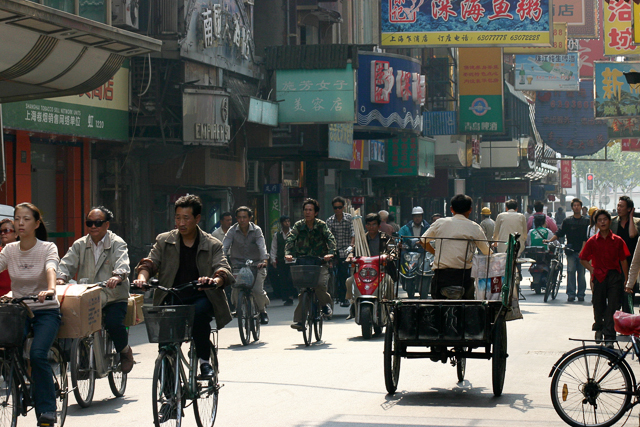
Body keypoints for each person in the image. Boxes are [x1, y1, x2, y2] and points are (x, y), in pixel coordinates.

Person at [134, 195, 233, 378]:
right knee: (166, 344)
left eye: (186, 218)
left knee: (199, 317)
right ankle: (169, 396)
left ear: (197, 219)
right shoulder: (164, 240)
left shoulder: (212, 244)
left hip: (201, 296)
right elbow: (150, 263)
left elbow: (222, 269)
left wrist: (213, 281)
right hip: (171, 296)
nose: (181, 222)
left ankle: (204, 361)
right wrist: (142, 278)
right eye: (177, 217)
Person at [0, 203, 60, 425]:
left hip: (46, 311)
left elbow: (51, 269)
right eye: (17, 219)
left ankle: (48, 409)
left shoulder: (47, 248)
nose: (20, 223)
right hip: (19, 312)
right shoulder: (9, 250)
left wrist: (51, 288)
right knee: (7, 349)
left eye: (26, 219)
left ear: (36, 224)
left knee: (37, 354)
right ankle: (21, 384)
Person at [57, 206, 134, 373]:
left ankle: (125, 351)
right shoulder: (79, 244)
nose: (93, 226)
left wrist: (117, 276)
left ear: (106, 225)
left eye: (97, 223)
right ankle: (84, 357)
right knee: (76, 322)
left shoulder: (117, 243)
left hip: (113, 296)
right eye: (89, 223)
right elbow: (66, 264)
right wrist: (60, 278)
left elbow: (123, 263)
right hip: (89, 296)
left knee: (114, 323)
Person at [420, 194, 490, 299]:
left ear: (451, 209)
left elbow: (423, 241)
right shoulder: (475, 227)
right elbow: (487, 252)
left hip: (441, 276)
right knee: (467, 306)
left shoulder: (440, 222)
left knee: (437, 308)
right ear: (470, 210)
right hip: (464, 276)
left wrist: (435, 252)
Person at [580, 209, 630, 348]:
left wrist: (626, 278)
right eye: (599, 220)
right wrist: (592, 270)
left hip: (614, 276)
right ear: (596, 224)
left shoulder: (618, 241)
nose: (602, 222)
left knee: (613, 306)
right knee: (598, 304)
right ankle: (599, 326)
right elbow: (583, 259)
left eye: (605, 219)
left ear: (609, 222)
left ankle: (609, 337)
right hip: (599, 277)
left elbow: (624, 260)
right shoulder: (592, 241)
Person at [285, 198, 336, 331]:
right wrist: (288, 253)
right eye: (305, 210)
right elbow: (290, 239)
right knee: (303, 292)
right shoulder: (298, 226)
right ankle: (300, 321)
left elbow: (330, 239)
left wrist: (330, 253)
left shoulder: (321, 225)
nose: (307, 212)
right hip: (303, 262)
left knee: (319, 285)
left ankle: (325, 305)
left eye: (310, 210)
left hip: (320, 262)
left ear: (316, 212)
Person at [222, 206, 270, 324]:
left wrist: (264, 260)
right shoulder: (232, 230)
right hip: (238, 265)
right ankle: (238, 308)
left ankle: (262, 311)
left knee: (257, 290)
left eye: (244, 217)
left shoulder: (256, 230)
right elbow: (224, 246)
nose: (242, 220)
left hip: (256, 265)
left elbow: (261, 245)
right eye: (239, 217)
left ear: (250, 218)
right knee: (235, 289)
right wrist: (220, 260)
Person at [344, 213, 393, 319]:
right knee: (349, 281)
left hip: (380, 271)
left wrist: (391, 255)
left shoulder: (385, 238)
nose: (371, 227)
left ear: (379, 226)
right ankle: (353, 304)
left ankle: (390, 306)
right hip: (364, 272)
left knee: (389, 281)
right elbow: (353, 250)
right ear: (365, 226)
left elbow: (392, 250)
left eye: (374, 224)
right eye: (369, 225)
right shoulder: (361, 239)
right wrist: (350, 256)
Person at [546, 198, 590, 302]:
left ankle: (581, 294)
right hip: (570, 251)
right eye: (574, 205)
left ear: (581, 207)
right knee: (570, 272)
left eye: (578, 205)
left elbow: (588, 237)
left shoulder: (586, 221)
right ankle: (571, 294)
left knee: (581, 273)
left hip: (582, 252)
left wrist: (584, 250)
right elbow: (559, 233)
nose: (576, 207)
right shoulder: (567, 221)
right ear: (572, 207)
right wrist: (549, 241)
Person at [611, 196, 640, 313]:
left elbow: (632, 235)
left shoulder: (637, 222)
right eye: (618, 206)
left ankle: (627, 324)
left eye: (621, 206)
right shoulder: (612, 222)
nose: (619, 208)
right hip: (616, 263)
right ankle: (616, 322)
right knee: (615, 294)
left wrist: (631, 217)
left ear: (629, 209)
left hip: (631, 261)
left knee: (628, 293)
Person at [326, 196, 354, 307]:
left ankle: (344, 297)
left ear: (343, 207)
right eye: (335, 208)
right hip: (334, 250)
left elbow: (353, 233)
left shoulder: (349, 219)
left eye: (340, 207)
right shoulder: (330, 221)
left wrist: (351, 245)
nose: (337, 210)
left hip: (346, 250)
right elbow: (328, 237)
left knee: (343, 273)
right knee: (329, 272)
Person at [270, 215, 294, 306]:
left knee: (290, 278)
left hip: (292, 260)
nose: (287, 223)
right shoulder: (277, 235)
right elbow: (274, 248)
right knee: (283, 279)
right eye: (285, 221)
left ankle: (291, 296)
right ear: (281, 223)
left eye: (288, 221)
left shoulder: (294, 233)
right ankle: (286, 297)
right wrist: (273, 260)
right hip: (281, 260)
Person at [0, 218, 17, 296]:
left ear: (16, 234)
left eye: (6, 231)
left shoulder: (23, 252)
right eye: (0, 232)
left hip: (18, 297)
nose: (3, 233)